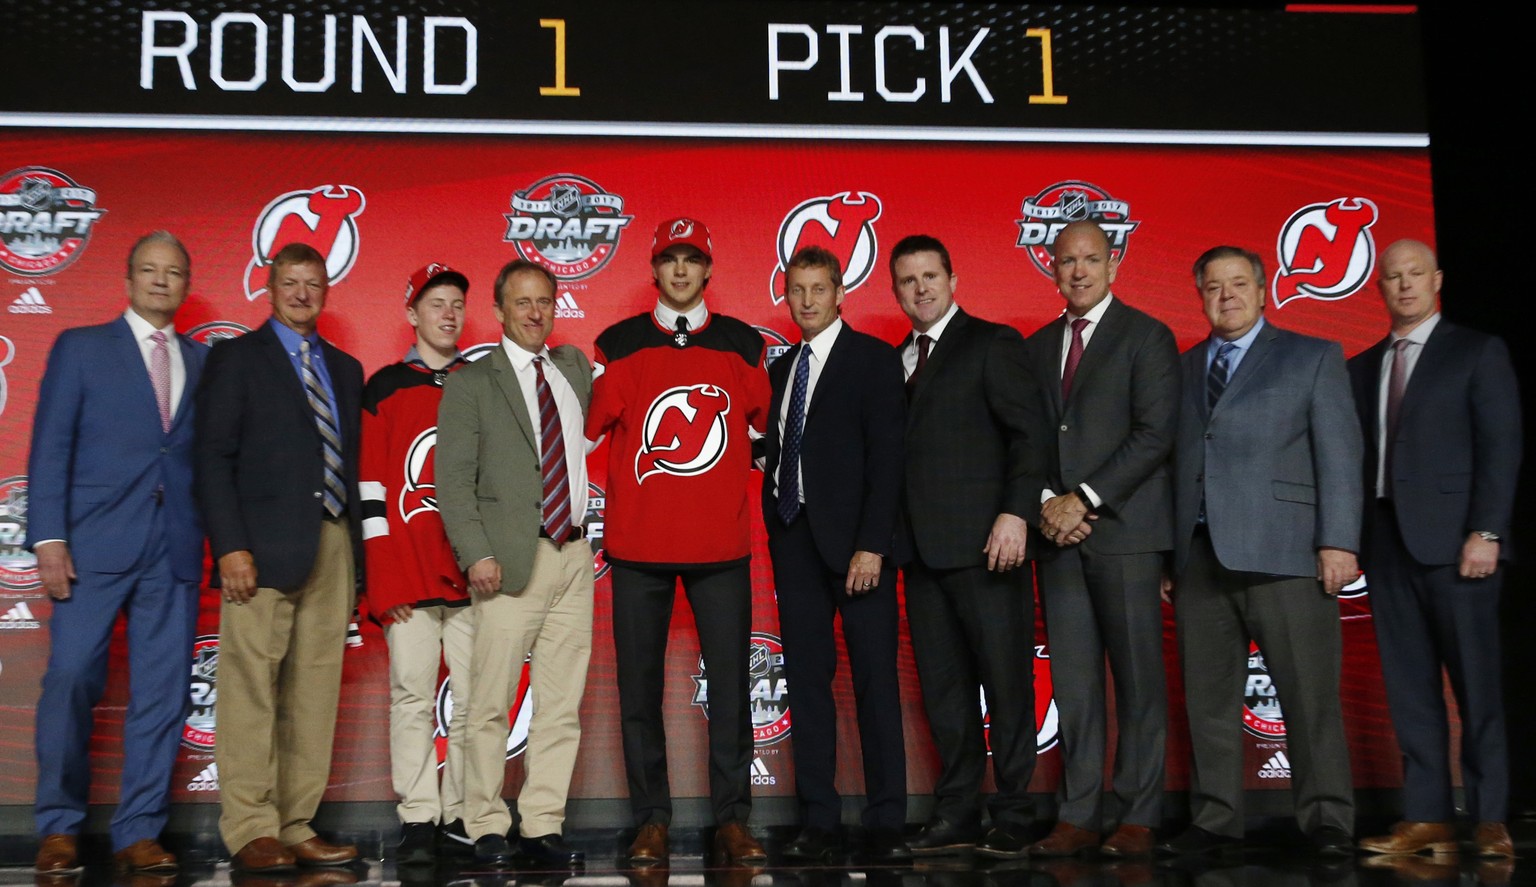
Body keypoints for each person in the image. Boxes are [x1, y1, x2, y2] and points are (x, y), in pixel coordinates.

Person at [1161, 245, 1361, 858]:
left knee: (1308, 696)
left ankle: (1327, 819)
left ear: (1263, 288)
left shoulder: (1314, 356)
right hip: (1199, 559)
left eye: (1239, 283)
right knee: (1209, 701)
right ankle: (1216, 819)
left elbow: (1340, 455)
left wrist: (1339, 541)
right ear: (1200, 296)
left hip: (1287, 554)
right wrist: (1170, 559)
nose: (1227, 296)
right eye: (1214, 287)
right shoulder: (1184, 367)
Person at [586, 218, 770, 866]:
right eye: (671, 259)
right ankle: (651, 820)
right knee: (638, 690)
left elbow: (763, 433)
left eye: (693, 259)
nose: (682, 271)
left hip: (721, 548)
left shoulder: (744, 345)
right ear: (655, 269)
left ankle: (732, 819)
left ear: (709, 269)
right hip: (638, 548)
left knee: (729, 689)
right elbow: (586, 433)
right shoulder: (618, 344)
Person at [28, 232, 207, 875]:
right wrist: (48, 538)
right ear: (128, 279)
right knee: (71, 679)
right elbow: (49, 445)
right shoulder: (81, 348)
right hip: (92, 545)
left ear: (186, 284)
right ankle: (58, 826)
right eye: (150, 270)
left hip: (176, 550)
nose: (162, 281)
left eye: (175, 272)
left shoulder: (204, 360)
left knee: (162, 695)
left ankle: (138, 830)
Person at [195, 242, 365, 871]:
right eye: (290, 283)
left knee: (315, 692)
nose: (301, 293)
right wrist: (231, 545)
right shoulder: (237, 358)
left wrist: (360, 565)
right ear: (270, 288)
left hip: (330, 543)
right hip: (259, 550)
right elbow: (212, 457)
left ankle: (295, 823)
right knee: (249, 690)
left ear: (326, 289)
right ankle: (249, 827)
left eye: (312, 283)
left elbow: (350, 464)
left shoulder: (345, 369)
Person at [1349, 239, 1520, 858]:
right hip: (1387, 543)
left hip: (1459, 547)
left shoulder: (1477, 351)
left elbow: (1502, 449)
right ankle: (1426, 815)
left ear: (1437, 278)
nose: (1404, 285)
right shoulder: (1362, 366)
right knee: (1410, 689)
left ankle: (1490, 817)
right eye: (1393, 277)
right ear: (1381, 287)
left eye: (1415, 274)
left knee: (1477, 688)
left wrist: (1488, 531)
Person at [1023, 220, 1178, 858]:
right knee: (1077, 686)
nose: (1078, 271)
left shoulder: (1147, 336)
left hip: (1127, 535)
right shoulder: (1034, 349)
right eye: (1066, 261)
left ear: (1113, 263)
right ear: (1051, 269)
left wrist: (1080, 499)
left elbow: (1154, 434)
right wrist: (1044, 505)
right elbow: (1025, 441)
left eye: (1090, 259)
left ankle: (1138, 815)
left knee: (1139, 681)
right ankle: (1079, 815)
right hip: (1058, 542)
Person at [889, 234, 1044, 858]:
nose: (921, 288)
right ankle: (957, 811)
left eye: (930, 276)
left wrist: (1015, 514)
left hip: (989, 548)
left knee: (1006, 683)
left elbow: (1029, 436)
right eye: (908, 280)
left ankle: (1012, 810)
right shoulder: (896, 358)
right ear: (895, 289)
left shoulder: (992, 343)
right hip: (921, 556)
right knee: (945, 691)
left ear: (952, 280)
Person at [436, 260, 595, 868]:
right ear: (499, 311)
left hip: (574, 556)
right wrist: (476, 552)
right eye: (521, 302)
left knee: (560, 704)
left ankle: (543, 823)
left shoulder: (570, 371)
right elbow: (452, 482)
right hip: (506, 559)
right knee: (489, 700)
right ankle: (483, 822)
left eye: (544, 301)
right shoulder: (473, 383)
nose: (534, 312)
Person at [761, 246, 910, 863]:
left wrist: (872, 544)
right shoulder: (778, 371)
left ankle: (886, 822)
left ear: (840, 292)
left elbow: (888, 461)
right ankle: (817, 819)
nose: (807, 301)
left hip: (859, 549)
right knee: (807, 684)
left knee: (876, 684)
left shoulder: (874, 360)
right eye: (797, 290)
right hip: (795, 542)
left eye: (818, 289)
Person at [359, 263, 474, 865]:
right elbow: (371, 492)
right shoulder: (382, 387)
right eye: (436, 303)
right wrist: (382, 577)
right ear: (412, 313)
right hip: (405, 573)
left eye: (456, 303)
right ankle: (419, 816)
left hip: (473, 574)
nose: (448, 313)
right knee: (411, 695)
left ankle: (458, 811)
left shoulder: (482, 381)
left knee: (475, 696)